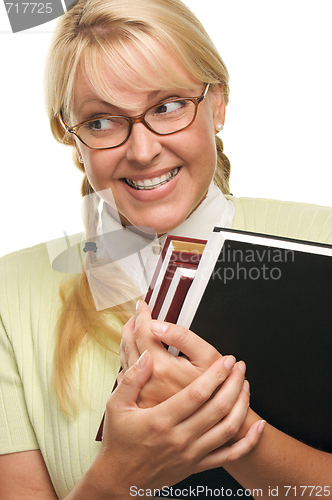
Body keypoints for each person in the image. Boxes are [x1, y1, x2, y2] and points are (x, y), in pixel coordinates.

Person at [0, 0, 331, 499]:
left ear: (217, 103)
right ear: (71, 138)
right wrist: (121, 471)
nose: (142, 150)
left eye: (168, 106)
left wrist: (228, 428)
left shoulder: (322, 239)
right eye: (101, 121)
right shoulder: (9, 296)